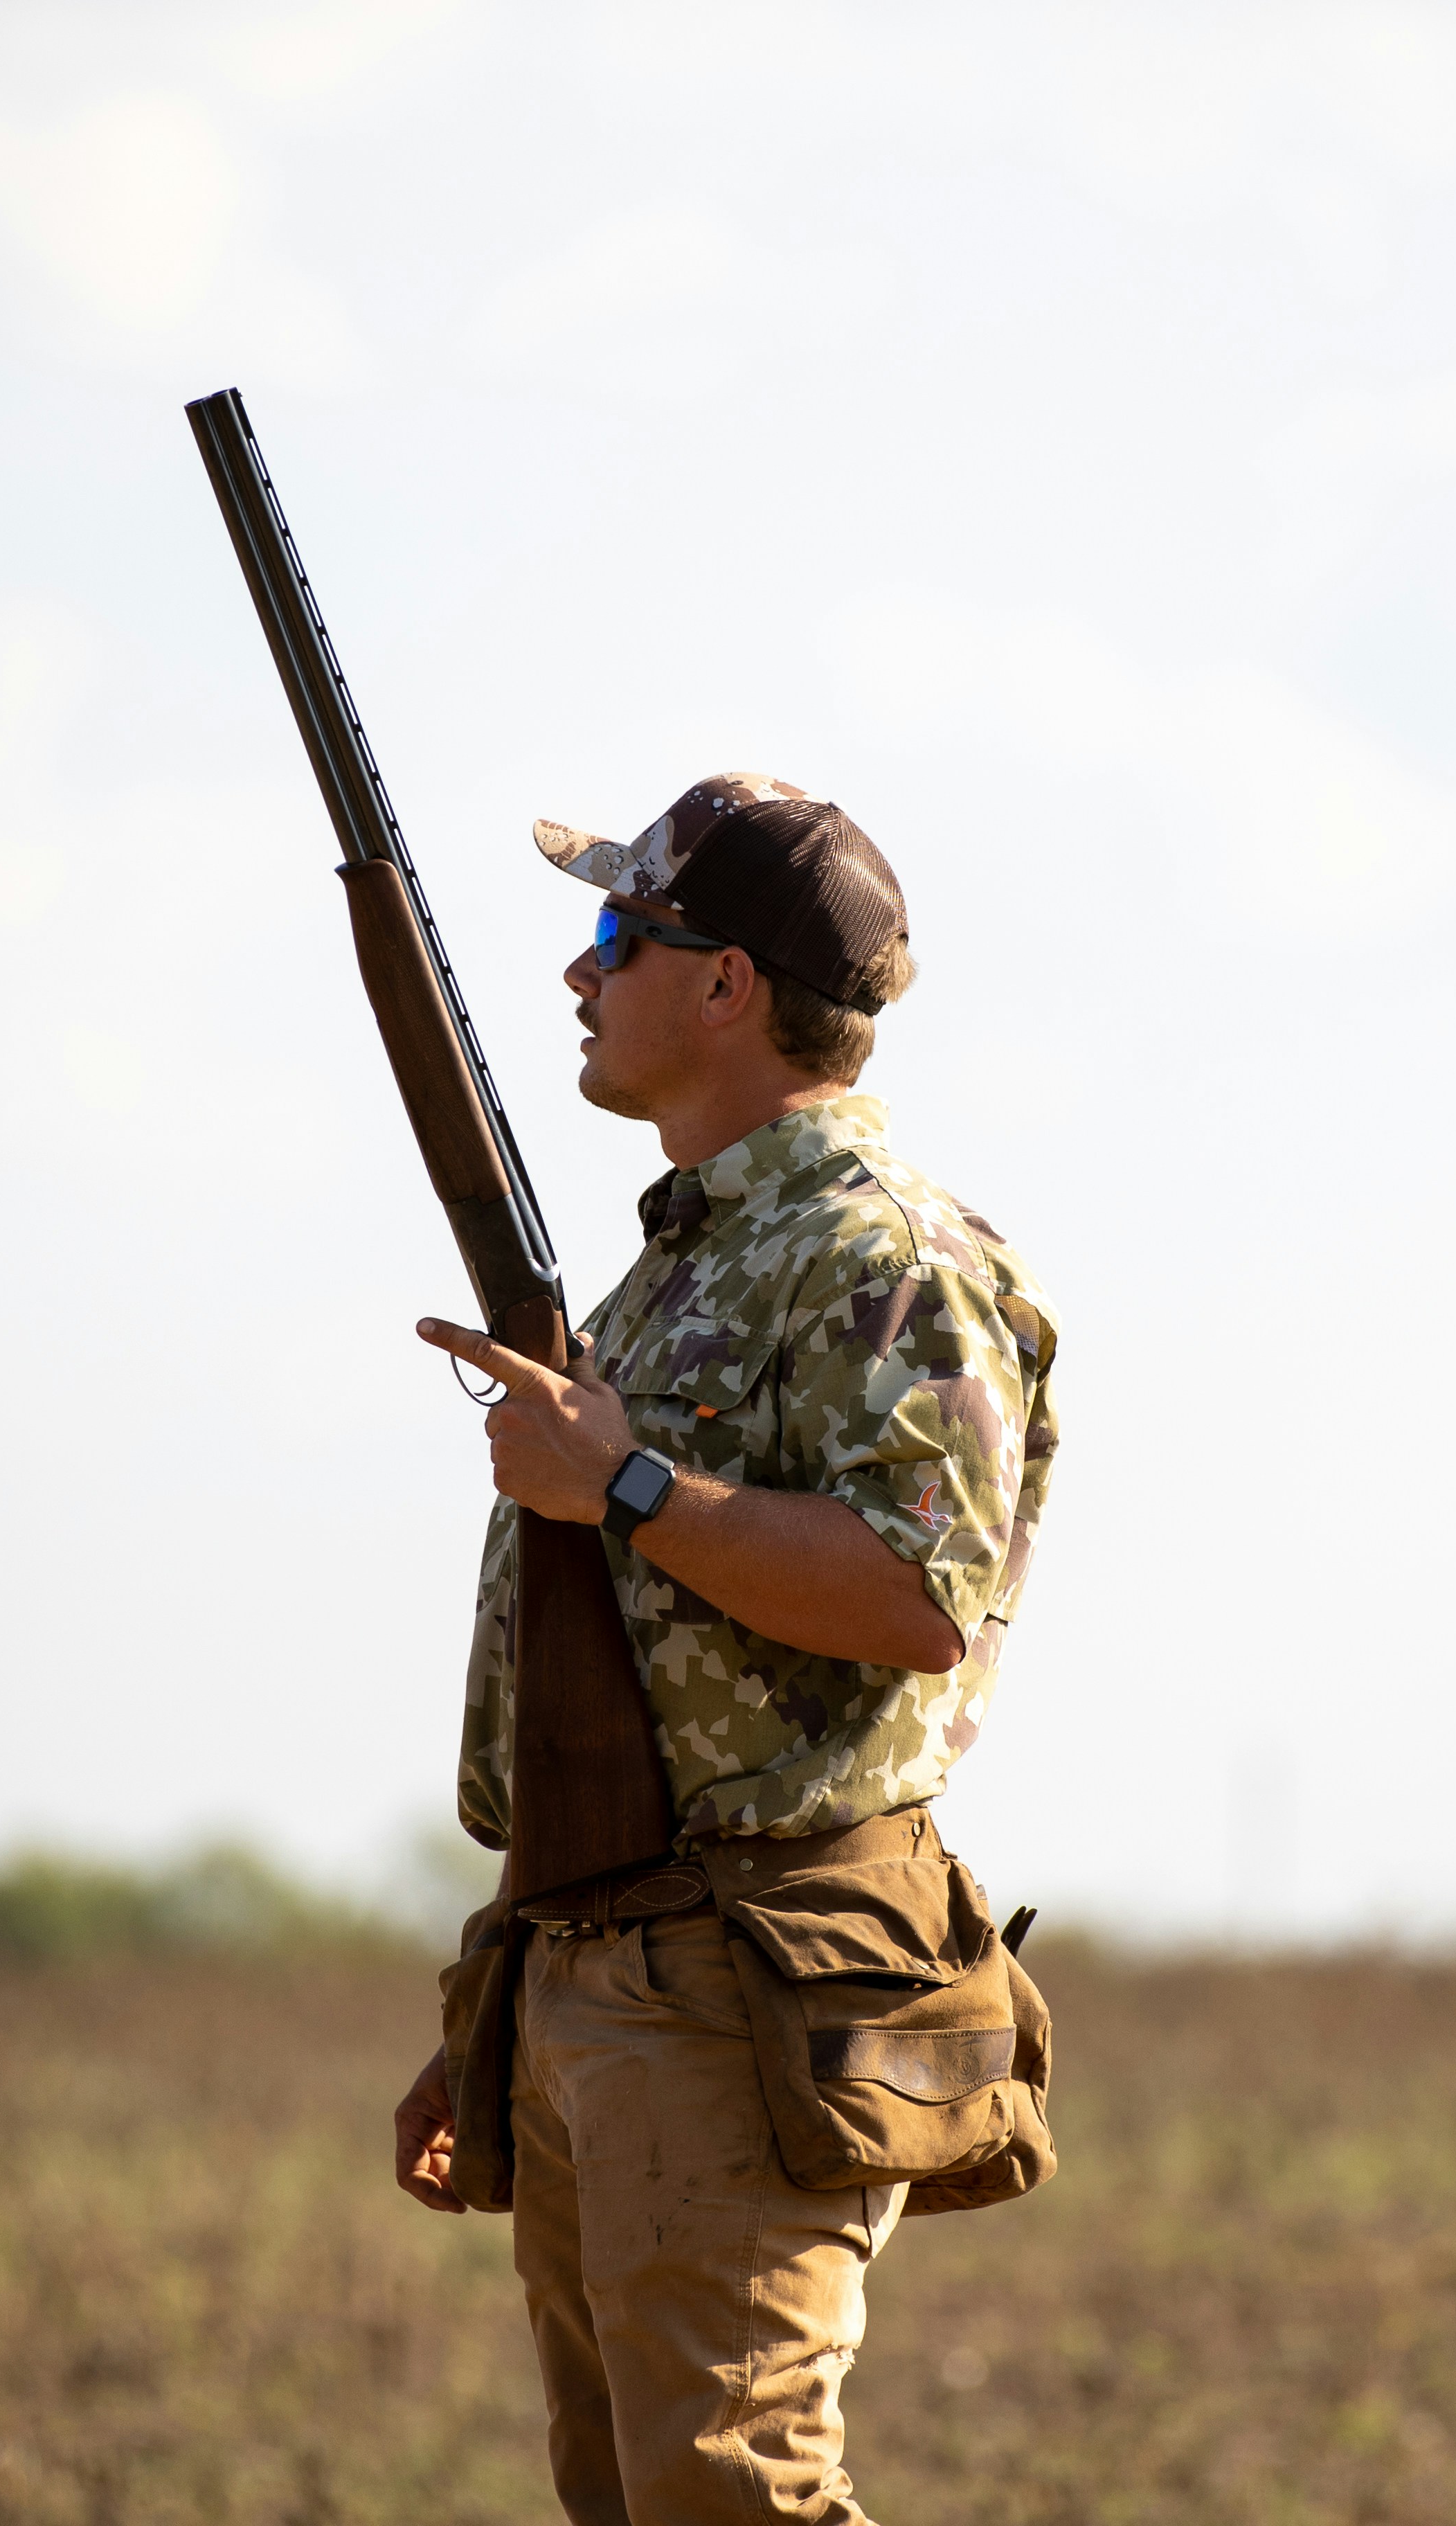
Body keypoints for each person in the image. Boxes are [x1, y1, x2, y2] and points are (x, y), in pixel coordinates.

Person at [388, 773, 1061, 2526]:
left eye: (620, 933)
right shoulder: (685, 1267)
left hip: (751, 1975)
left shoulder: (877, 1256)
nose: (576, 975)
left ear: (725, 988)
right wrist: (505, 1989)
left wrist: (622, 1479)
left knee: (725, 2497)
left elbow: (920, 1596)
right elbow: (620, 1675)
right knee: (630, 2496)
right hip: (601, 1963)